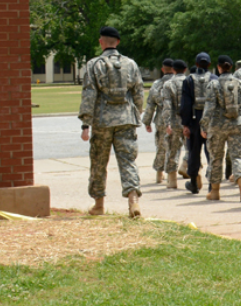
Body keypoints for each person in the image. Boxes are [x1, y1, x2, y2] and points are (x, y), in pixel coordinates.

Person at [78, 26, 144, 218]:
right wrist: (136, 114)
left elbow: (89, 95)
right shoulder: (130, 64)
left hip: (102, 120)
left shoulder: (94, 64)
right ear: (118, 42)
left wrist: (85, 123)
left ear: (101, 42)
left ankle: (99, 204)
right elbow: (139, 92)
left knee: (99, 162)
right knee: (128, 160)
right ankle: (133, 200)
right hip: (126, 118)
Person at [202, 56, 241, 201]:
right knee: (238, 156)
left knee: (216, 157)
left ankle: (215, 191)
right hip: (237, 124)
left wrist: (204, 125)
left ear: (219, 67)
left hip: (217, 126)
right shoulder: (240, 83)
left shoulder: (213, 84)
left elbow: (209, 107)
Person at [180, 53, 214, 194]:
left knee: (194, 151)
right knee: (212, 152)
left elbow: (186, 104)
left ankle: (193, 182)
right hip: (211, 120)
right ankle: (213, 184)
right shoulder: (214, 79)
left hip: (194, 119)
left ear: (197, 64)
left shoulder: (188, 80)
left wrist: (185, 124)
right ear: (209, 64)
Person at [143, 58, 174, 184]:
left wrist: (147, 121)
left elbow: (150, 105)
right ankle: (172, 173)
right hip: (176, 119)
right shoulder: (179, 82)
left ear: (162, 69)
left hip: (161, 119)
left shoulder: (156, 84)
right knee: (175, 147)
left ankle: (159, 173)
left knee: (161, 146)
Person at [160, 60, 190, 189]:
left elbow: (166, 106)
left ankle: (172, 180)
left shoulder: (168, 84)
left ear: (173, 70)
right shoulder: (190, 82)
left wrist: (167, 123)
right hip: (188, 120)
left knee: (172, 149)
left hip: (174, 120)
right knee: (191, 147)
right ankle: (186, 165)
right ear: (185, 69)